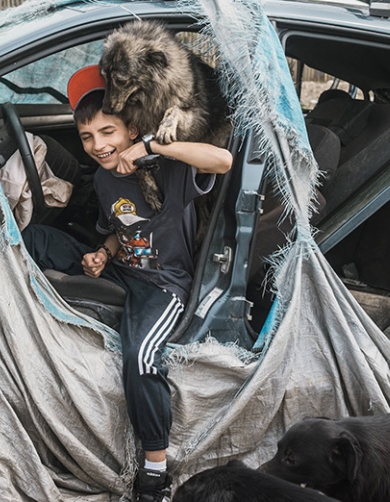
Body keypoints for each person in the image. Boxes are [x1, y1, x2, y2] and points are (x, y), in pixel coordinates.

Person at [22, 64, 233, 502]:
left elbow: (223, 160)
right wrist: (103, 254)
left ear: (131, 128)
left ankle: (155, 470)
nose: (98, 145)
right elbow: (121, 228)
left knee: (140, 358)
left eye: (107, 132)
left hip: (162, 283)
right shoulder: (102, 178)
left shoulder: (166, 167)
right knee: (37, 237)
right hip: (124, 268)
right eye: (87, 137)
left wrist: (154, 148)